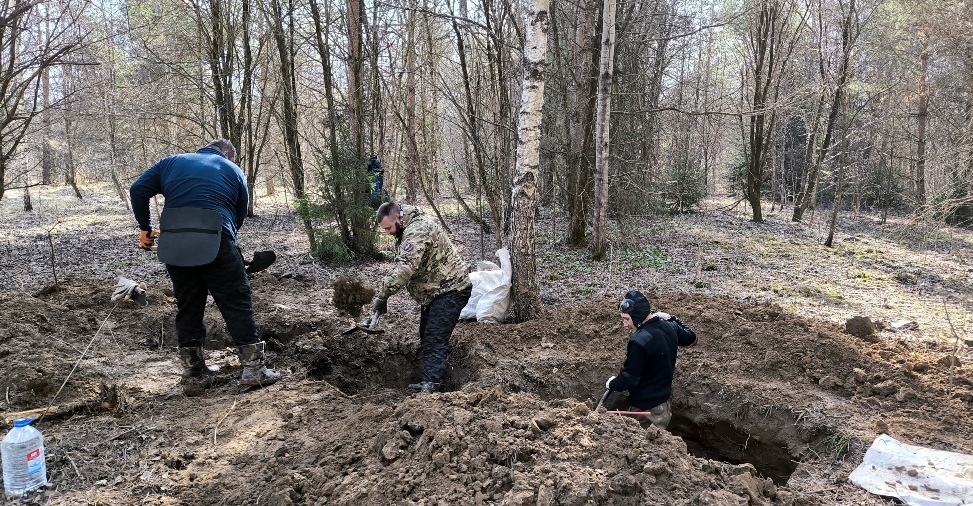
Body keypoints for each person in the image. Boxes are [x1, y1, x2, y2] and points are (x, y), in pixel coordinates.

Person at [129, 139, 280, 387]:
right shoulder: (232, 169)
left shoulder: (171, 162)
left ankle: (193, 371)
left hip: (174, 241)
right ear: (227, 154)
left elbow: (138, 189)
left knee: (188, 303)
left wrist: (145, 228)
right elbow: (239, 213)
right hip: (215, 237)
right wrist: (228, 243)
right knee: (235, 299)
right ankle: (254, 369)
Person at [371, 202, 472, 393]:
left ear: (398, 218)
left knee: (434, 338)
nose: (387, 233)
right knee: (427, 336)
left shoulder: (417, 230)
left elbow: (404, 269)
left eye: (388, 228)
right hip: (434, 292)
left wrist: (383, 296)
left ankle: (432, 386)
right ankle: (432, 377)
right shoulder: (407, 227)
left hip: (451, 289)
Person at [605, 289, 697, 430]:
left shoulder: (639, 340)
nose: (624, 324)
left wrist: (612, 384)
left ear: (637, 316)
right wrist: (671, 318)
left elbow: (629, 379)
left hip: (646, 413)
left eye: (626, 319)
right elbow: (691, 337)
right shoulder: (669, 326)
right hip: (663, 407)